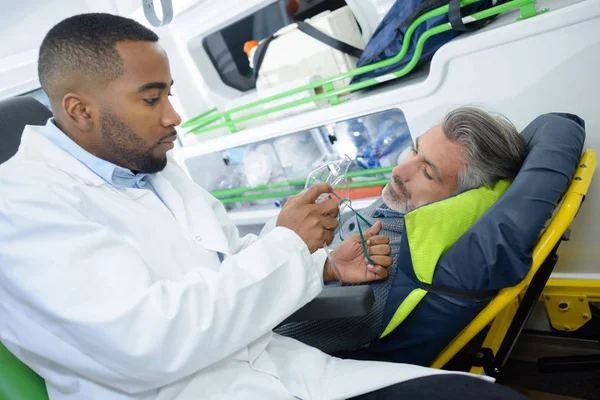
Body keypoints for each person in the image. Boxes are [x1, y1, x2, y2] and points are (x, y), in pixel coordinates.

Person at [0, 13, 526, 400]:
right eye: (152, 98)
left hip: (278, 369)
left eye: (171, 94)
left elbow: (223, 263)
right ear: (79, 110)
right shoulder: (21, 208)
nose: (174, 116)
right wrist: (288, 243)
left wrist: (321, 264)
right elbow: (146, 343)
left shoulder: (151, 167)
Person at [276, 106, 528, 366]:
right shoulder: (401, 209)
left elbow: (272, 340)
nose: (400, 169)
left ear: (459, 201)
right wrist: (322, 264)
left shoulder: (385, 262)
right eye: (415, 151)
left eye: (428, 173)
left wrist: (288, 248)